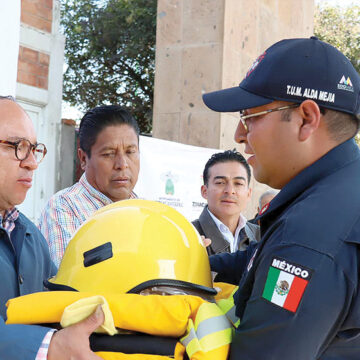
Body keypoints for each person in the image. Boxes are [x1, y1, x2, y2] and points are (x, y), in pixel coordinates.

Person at [202, 36, 360, 359]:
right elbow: (259, 259)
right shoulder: (334, 193)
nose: (239, 135)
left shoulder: (308, 235)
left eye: (250, 117)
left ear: (306, 119)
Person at [0, 96, 105, 360]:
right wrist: (49, 347)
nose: (32, 163)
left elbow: (64, 298)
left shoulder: (30, 236)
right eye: (16, 146)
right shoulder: (59, 210)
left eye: (34, 149)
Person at [38, 105, 140, 267]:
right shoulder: (64, 208)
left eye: (130, 152)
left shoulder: (145, 211)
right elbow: (70, 284)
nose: (122, 164)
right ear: (83, 159)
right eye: (108, 154)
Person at [192, 150, 260, 255]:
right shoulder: (187, 237)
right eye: (220, 183)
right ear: (204, 191)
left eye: (238, 183)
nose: (230, 190)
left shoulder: (262, 237)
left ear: (248, 193)